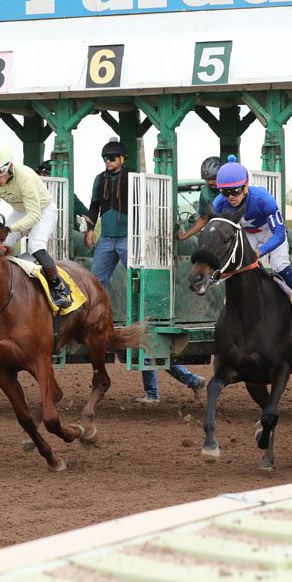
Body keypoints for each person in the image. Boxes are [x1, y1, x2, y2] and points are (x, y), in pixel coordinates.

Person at [86, 139, 205, 403]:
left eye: (112, 157)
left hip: (130, 239)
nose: (108, 161)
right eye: (105, 157)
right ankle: (92, 319)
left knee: (140, 288)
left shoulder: (135, 179)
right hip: (107, 238)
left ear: (123, 159)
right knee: (93, 283)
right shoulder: (99, 180)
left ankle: (147, 313)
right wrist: (89, 229)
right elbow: (94, 206)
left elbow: (152, 204)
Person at [212, 156, 292, 333]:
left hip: (271, 232)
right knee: (235, 270)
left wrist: (261, 251)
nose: (230, 197)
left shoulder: (263, 199)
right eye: (225, 192)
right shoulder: (219, 203)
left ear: (246, 186)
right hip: (246, 233)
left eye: (236, 191)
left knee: (280, 266)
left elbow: (279, 233)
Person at [0, 143, 73, 309]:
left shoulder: (25, 177)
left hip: (43, 210)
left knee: (35, 246)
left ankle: (59, 288)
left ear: (9, 166)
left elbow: (34, 215)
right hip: (20, 210)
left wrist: (9, 228)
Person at [36, 159, 92, 231]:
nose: (41, 178)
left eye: (45, 175)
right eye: (39, 175)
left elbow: (88, 215)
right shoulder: (35, 194)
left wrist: (90, 231)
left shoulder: (66, 195)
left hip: (67, 234)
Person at [177, 155, 222, 241]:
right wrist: (184, 236)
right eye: (207, 179)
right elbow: (203, 218)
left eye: (213, 179)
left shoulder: (231, 190)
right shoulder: (205, 192)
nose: (210, 182)